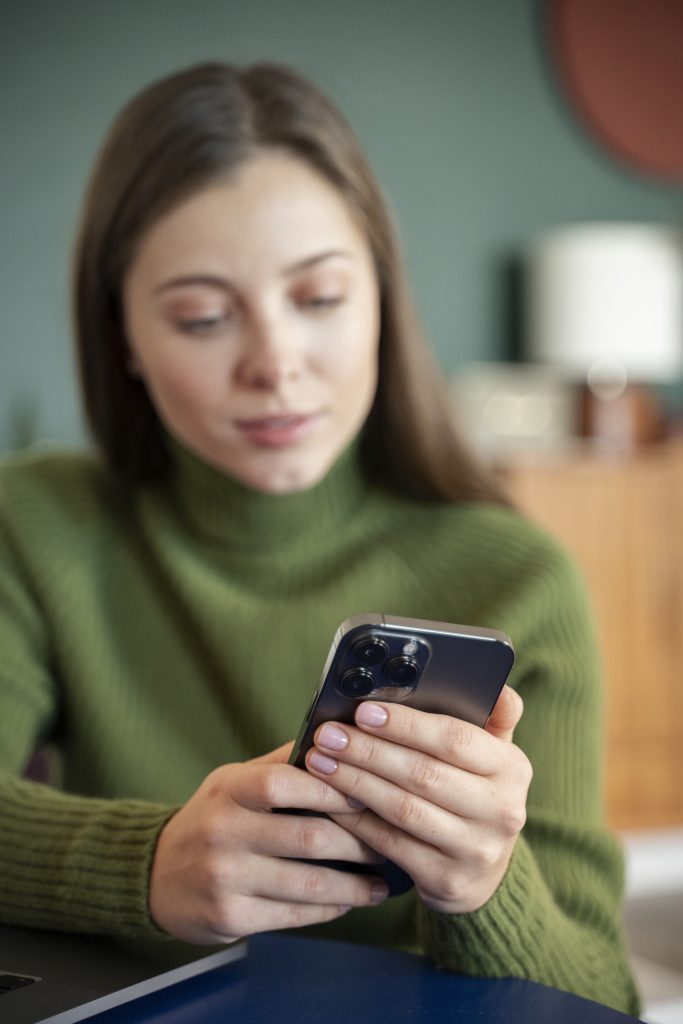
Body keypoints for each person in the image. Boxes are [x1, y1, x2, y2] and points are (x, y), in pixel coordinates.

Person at [0, 62, 638, 1013]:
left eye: (321, 298)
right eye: (203, 316)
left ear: (382, 299)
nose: (275, 364)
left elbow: (605, 997)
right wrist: (148, 863)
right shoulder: (38, 523)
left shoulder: (517, 577)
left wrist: (480, 886)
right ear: (124, 334)